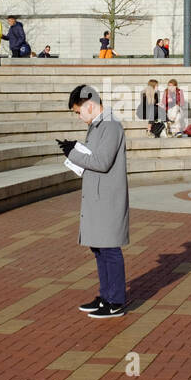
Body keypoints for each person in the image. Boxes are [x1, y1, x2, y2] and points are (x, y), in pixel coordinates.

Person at [59, 85, 129, 318]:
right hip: (98, 196)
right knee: (99, 247)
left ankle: (116, 300)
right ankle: (106, 296)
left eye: (79, 112)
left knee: (109, 248)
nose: (79, 118)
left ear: (90, 104)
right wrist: (76, 150)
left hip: (107, 197)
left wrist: (73, 153)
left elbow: (102, 161)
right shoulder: (99, 125)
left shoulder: (110, 125)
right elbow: (93, 157)